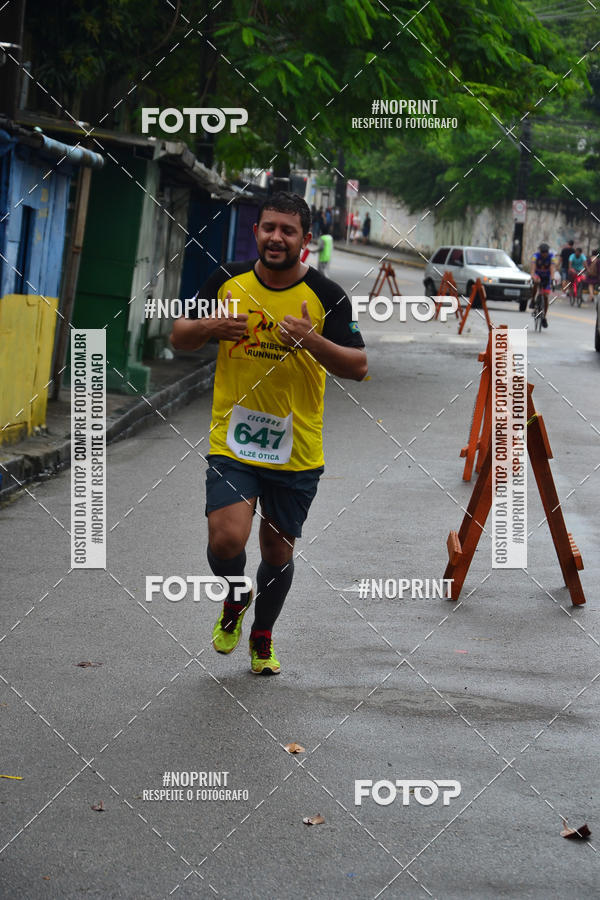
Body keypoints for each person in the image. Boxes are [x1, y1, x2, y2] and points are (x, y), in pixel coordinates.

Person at [170, 192, 367, 675]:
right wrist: (214, 327)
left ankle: (263, 634)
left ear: (306, 240)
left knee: (276, 550)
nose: (276, 237)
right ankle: (237, 597)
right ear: (256, 231)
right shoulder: (226, 281)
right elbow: (178, 337)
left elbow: (359, 366)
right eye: (269, 227)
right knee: (225, 541)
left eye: (288, 230)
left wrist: (312, 340)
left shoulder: (328, 295)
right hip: (233, 441)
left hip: (296, 448)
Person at [530, 242, 555, 328]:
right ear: (540, 252)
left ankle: (544, 316)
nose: (544, 254)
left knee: (546, 296)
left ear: (548, 252)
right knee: (536, 282)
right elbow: (533, 268)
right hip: (538, 275)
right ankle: (533, 300)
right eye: (542, 253)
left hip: (546, 277)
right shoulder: (535, 256)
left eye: (546, 253)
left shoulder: (552, 257)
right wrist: (533, 276)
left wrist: (552, 279)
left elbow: (552, 268)